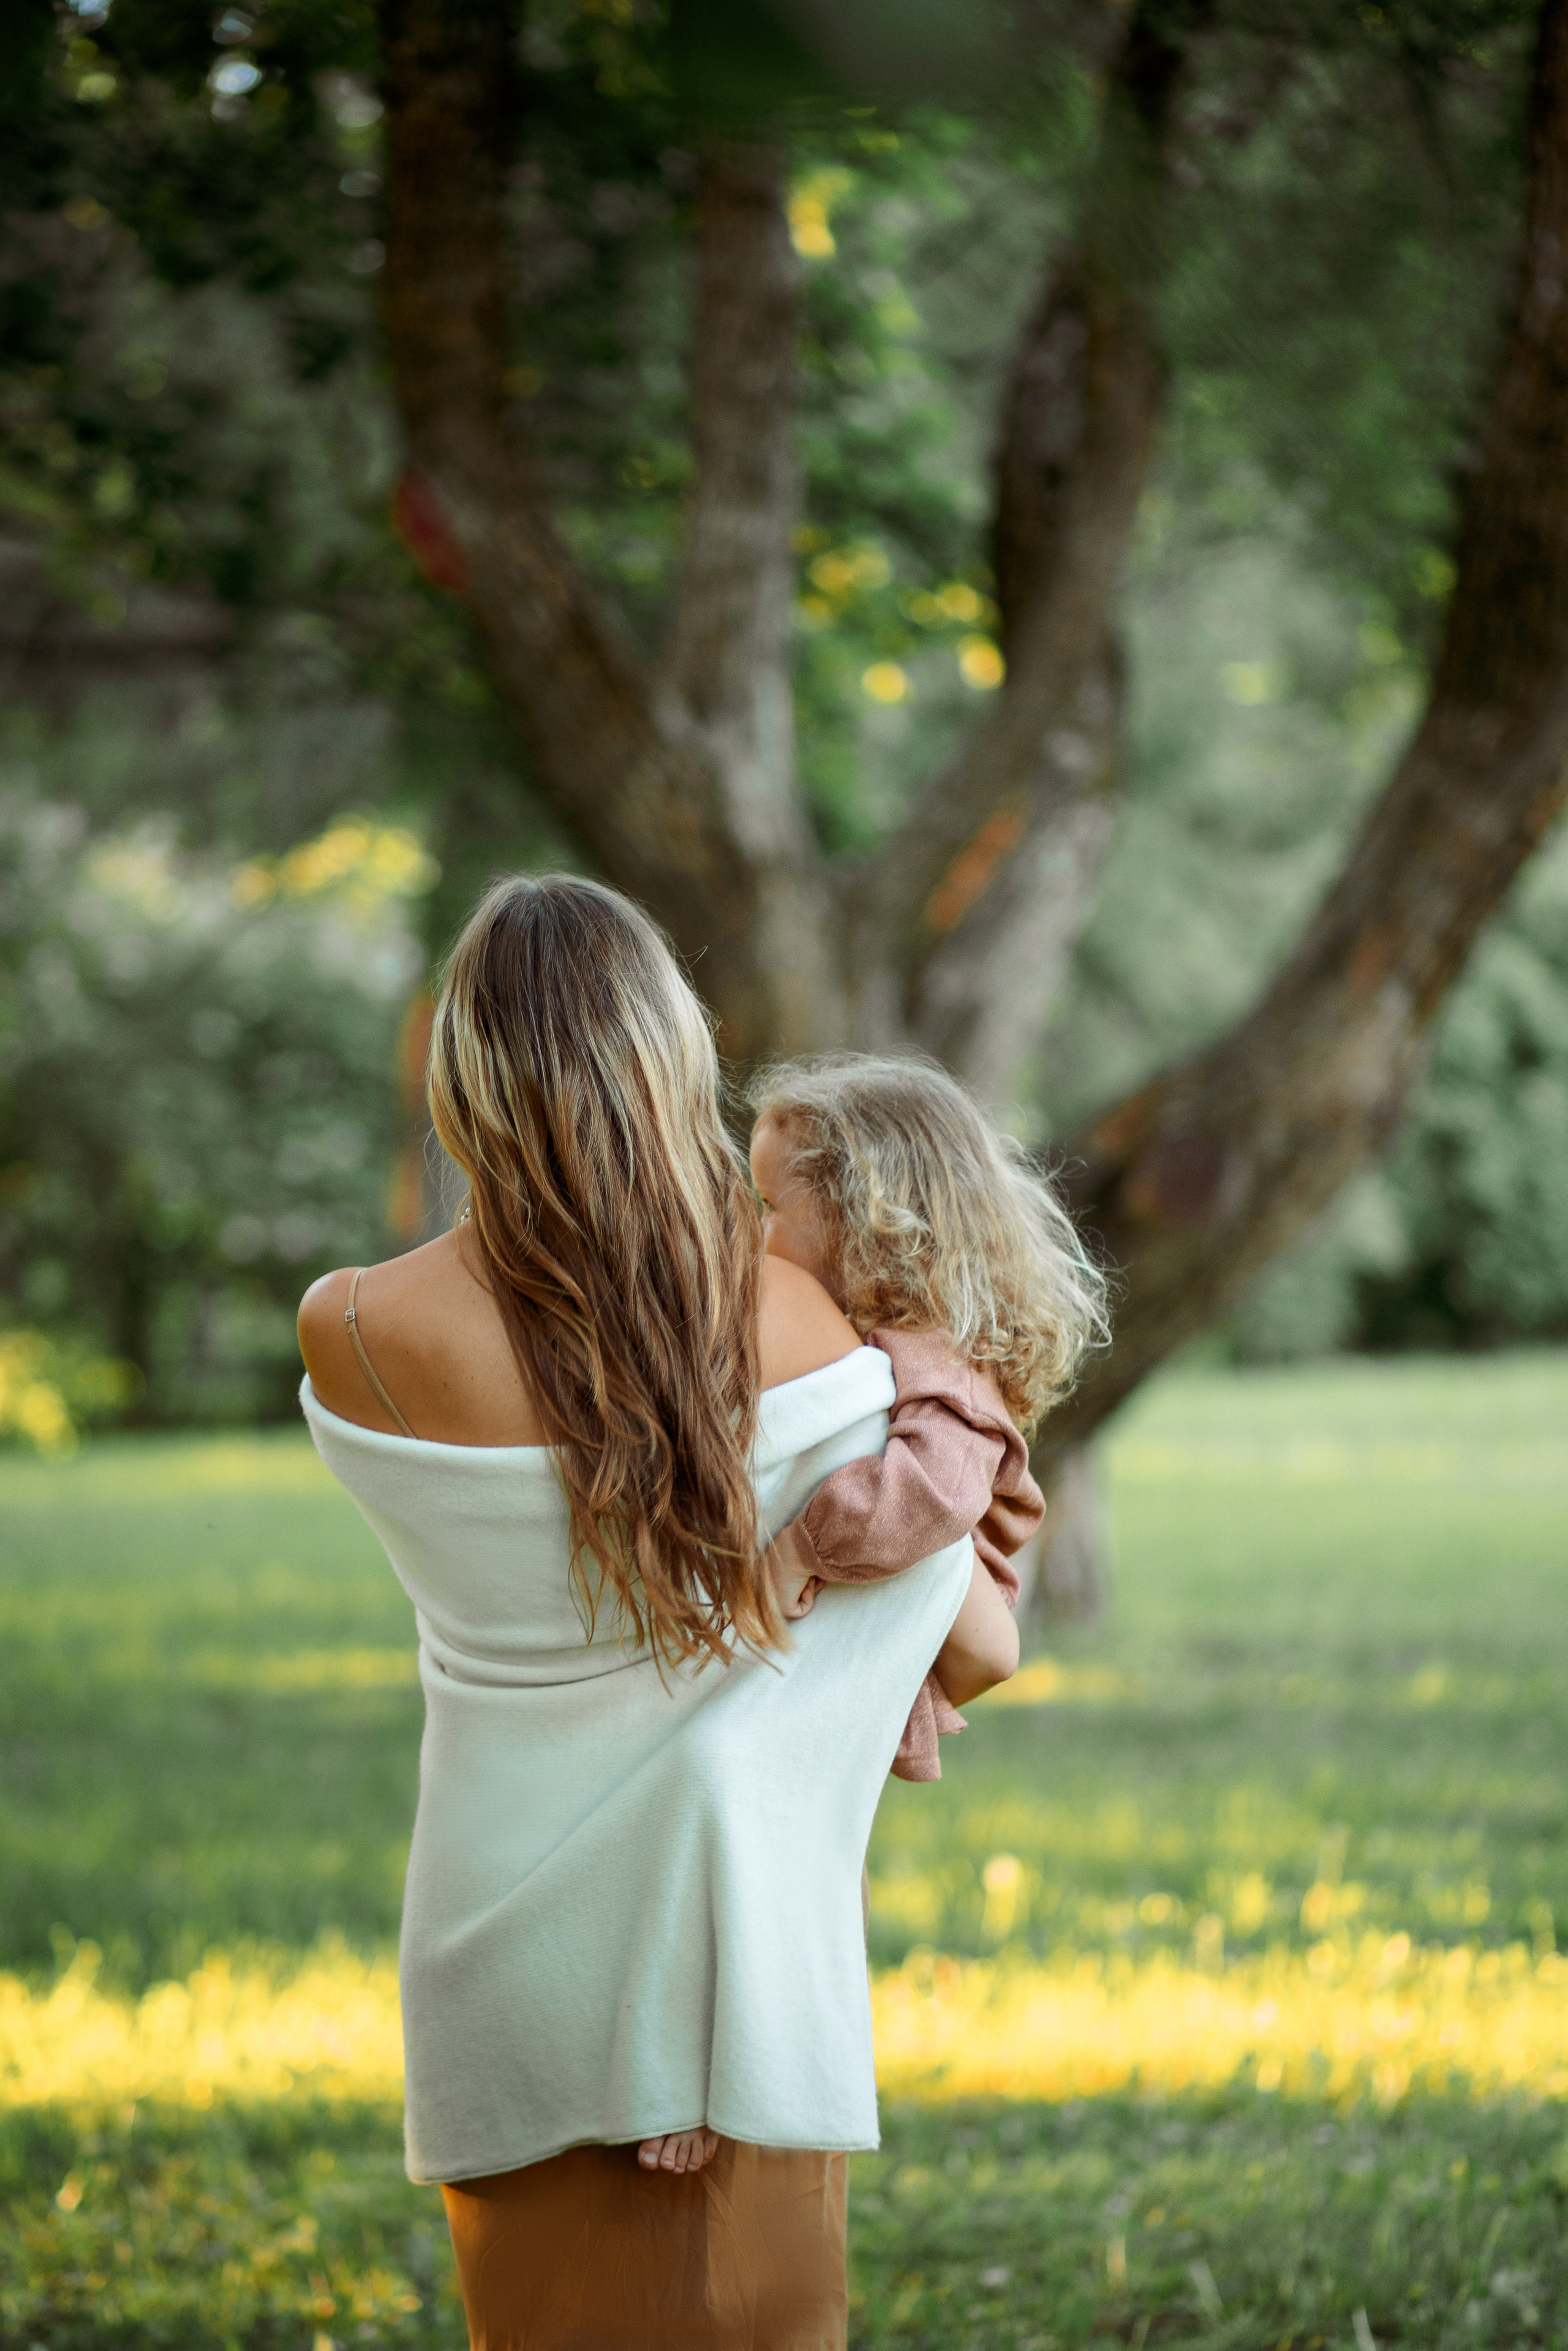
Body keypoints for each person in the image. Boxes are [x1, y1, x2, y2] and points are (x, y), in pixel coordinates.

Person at [296, 874, 1018, 2351]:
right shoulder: (803, 1323)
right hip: (735, 1972)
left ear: (460, 1078)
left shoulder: (355, 1328)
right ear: (670, 1057)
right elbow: (975, 1636)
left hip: (500, 1960)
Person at [747, 1054, 1107, 1781]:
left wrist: (799, 1547)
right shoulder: (889, 1338)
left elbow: (935, 1490)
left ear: (867, 1223)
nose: (756, 1238)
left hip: (909, 1626)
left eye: (770, 1209)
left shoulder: (941, 1358)